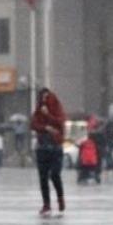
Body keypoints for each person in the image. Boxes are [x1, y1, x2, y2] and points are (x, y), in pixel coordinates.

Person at [31, 88, 66, 216]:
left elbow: (60, 123)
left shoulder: (57, 109)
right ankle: (46, 204)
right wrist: (46, 128)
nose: (44, 100)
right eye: (42, 98)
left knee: (55, 174)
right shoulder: (38, 110)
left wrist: (48, 116)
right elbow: (33, 124)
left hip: (55, 147)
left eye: (47, 97)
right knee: (43, 177)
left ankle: (60, 198)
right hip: (42, 147)